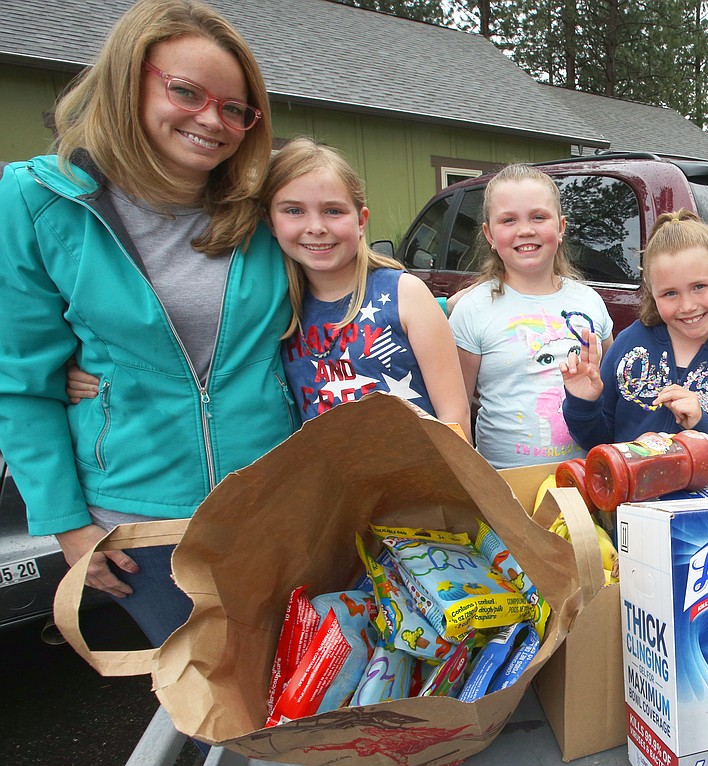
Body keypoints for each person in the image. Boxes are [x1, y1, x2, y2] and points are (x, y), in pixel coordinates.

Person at [0, 0, 294, 648]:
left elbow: (345, 286)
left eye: (234, 109)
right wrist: (69, 527)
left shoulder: (261, 205)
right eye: (186, 92)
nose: (211, 121)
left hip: (273, 502)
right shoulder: (38, 201)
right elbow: (21, 381)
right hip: (139, 525)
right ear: (129, 77)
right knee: (209, 698)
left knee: (300, 682)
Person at [262, 137, 470, 436]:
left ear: (361, 221)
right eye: (294, 210)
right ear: (271, 222)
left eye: (333, 210)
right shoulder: (278, 310)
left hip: (420, 477)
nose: (316, 227)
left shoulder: (405, 294)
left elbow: (456, 417)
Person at [560, 209, 708, 448]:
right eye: (670, 293)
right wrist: (583, 403)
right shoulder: (628, 344)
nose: (687, 306)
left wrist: (704, 425)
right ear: (651, 289)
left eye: (699, 286)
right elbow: (595, 441)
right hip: (633, 486)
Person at [448, 163, 614, 468]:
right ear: (489, 234)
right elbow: (455, 412)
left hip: (585, 479)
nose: (526, 229)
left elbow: (610, 393)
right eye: (508, 220)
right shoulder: (472, 310)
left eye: (539, 217)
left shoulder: (591, 302)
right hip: (503, 485)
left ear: (561, 227)